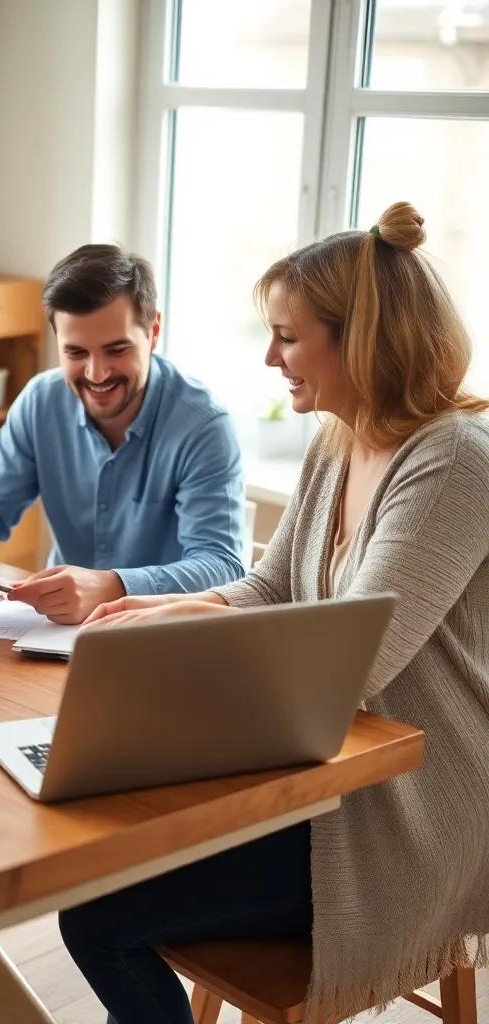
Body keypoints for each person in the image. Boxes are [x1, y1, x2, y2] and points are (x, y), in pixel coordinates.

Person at [57, 203, 489, 1024]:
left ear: (360, 341)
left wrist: (182, 634)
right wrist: (162, 610)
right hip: (323, 775)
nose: (269, 357)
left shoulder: (456, 459)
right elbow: (274, 585)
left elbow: (353, 662)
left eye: (288, 337)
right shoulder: (340, 439)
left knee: (96, 914)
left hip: (407, 807)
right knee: (104, 849)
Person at [0, 244, 245, 624]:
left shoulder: (203, 426)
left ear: (154, 331)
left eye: (116, 349)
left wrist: (113, 586)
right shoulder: (40, 402)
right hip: (56, 631)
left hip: (162, 632)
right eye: (75, 353)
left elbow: (222, 566)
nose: (97, 374)